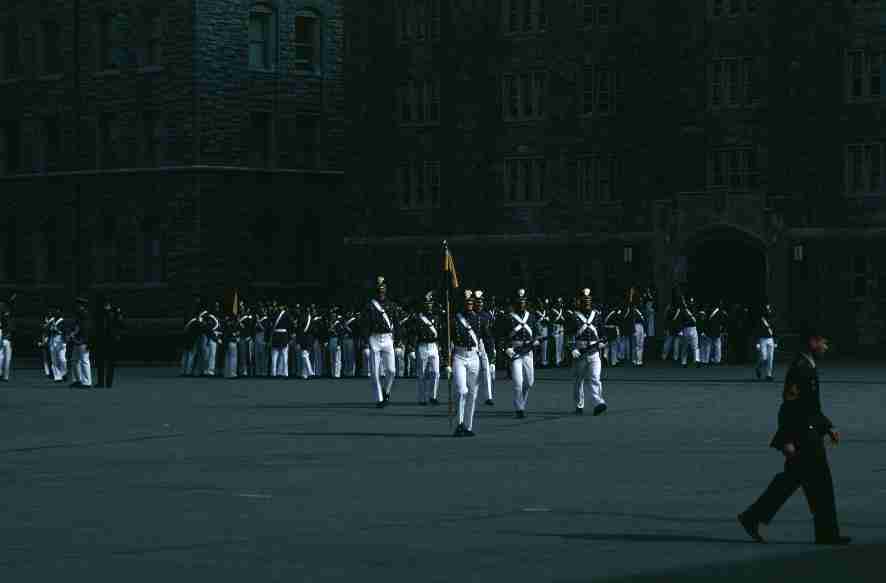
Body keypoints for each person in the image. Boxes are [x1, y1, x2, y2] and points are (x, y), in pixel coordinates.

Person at [738, 328, 851, 545]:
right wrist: (787, 440)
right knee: (820, 486)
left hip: (808, 433)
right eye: (823, 342)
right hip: (803, 437)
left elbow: (810, 407)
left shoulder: (807, 366)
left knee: (790, 481)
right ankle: (826, 533)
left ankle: (752, 517)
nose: (826, 347)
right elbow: (789, 407)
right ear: (812, 342)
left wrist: (828, 427)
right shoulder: (800, 369)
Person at [498, 288, 539, 419]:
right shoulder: (508, 318)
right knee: (518, 382)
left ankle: (522, 402)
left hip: (528, 353)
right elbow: (501, 336)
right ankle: (519, 408)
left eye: (523, 301)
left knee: (529, 382)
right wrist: (506, 348)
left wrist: (536, 341)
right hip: (515, 353)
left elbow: (536, 333)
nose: (521, 303)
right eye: (519, 301)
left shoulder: (531, 316)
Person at [568, 288, 607, 416]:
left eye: (589, 301)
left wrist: (603, 341)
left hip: (594, 351)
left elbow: (602, 332)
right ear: (580, 302)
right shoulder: (574, 317)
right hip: (580, 352)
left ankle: (598, 403)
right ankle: (579, 405)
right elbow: (569, 335)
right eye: (585, 301)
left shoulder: (597, 315)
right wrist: (572, 348)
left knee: (595, 378)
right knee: (578, 380)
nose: (587, 303)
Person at [362, 276, 398, 407]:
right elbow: (365, 324)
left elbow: (396, 324)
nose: (381, 294)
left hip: (388, 338)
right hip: (374, 338)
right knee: (375, 372)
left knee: (392, 370)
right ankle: (380, 399)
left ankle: (386, 391)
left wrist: (398, 339)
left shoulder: (392, 305)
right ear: (376, 292)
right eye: (379, 291)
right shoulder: (370, 305)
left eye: (383, 291)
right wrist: (366, 341)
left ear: (386, 291)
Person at [410, 292, 441, 406]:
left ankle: (433, 396)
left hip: (433, 346)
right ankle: (422, 398)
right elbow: (413, 333)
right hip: (422, 346)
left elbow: (439, 333)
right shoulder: (419, 318)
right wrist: (412, 348)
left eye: (430, 303)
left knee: (436, 372)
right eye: (427, 303)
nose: (429, 305)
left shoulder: (437, 317)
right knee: (422, 374)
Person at [94, 295, 124, 388]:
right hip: (103, 340)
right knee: (101, 363)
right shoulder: (100, 312)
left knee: (109, 363)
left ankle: (107, 383)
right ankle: (102, 382)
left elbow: (121, 324)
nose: (106, 305)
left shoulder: (114, 312)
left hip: (110, 340)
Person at [474, 290, 496, 406]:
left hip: (482, 344)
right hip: (471, 345)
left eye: (481, 303)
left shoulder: (487, 316)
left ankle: (488, 396)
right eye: (477, 303)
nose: (479, 305)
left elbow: (490, 336)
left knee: (486, 369)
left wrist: (492, 354)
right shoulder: (470, 314)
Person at [69, 297, 93, 389]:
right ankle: (78, 380)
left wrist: (74, 334)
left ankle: (86, 382)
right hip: (78, 340)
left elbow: (84, 328)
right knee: (76, 361)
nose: (77, 306)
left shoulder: (84, 315)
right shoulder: (80, 314)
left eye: (78, 305)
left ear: (81, 305)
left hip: (83, 340)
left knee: (84, 360)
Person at [755, 303, 778, 381]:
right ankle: (758, 368)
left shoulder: (772, 318)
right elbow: (757, 331)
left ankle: (769, 375)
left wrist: (776, 341)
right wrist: (757, 342)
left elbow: (775, 330)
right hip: (762, 339)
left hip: (770, 339)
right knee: (764, 357)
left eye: (769, 309)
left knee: (770, 358)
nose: (768, 310)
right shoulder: (760, 319)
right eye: (767, 309)